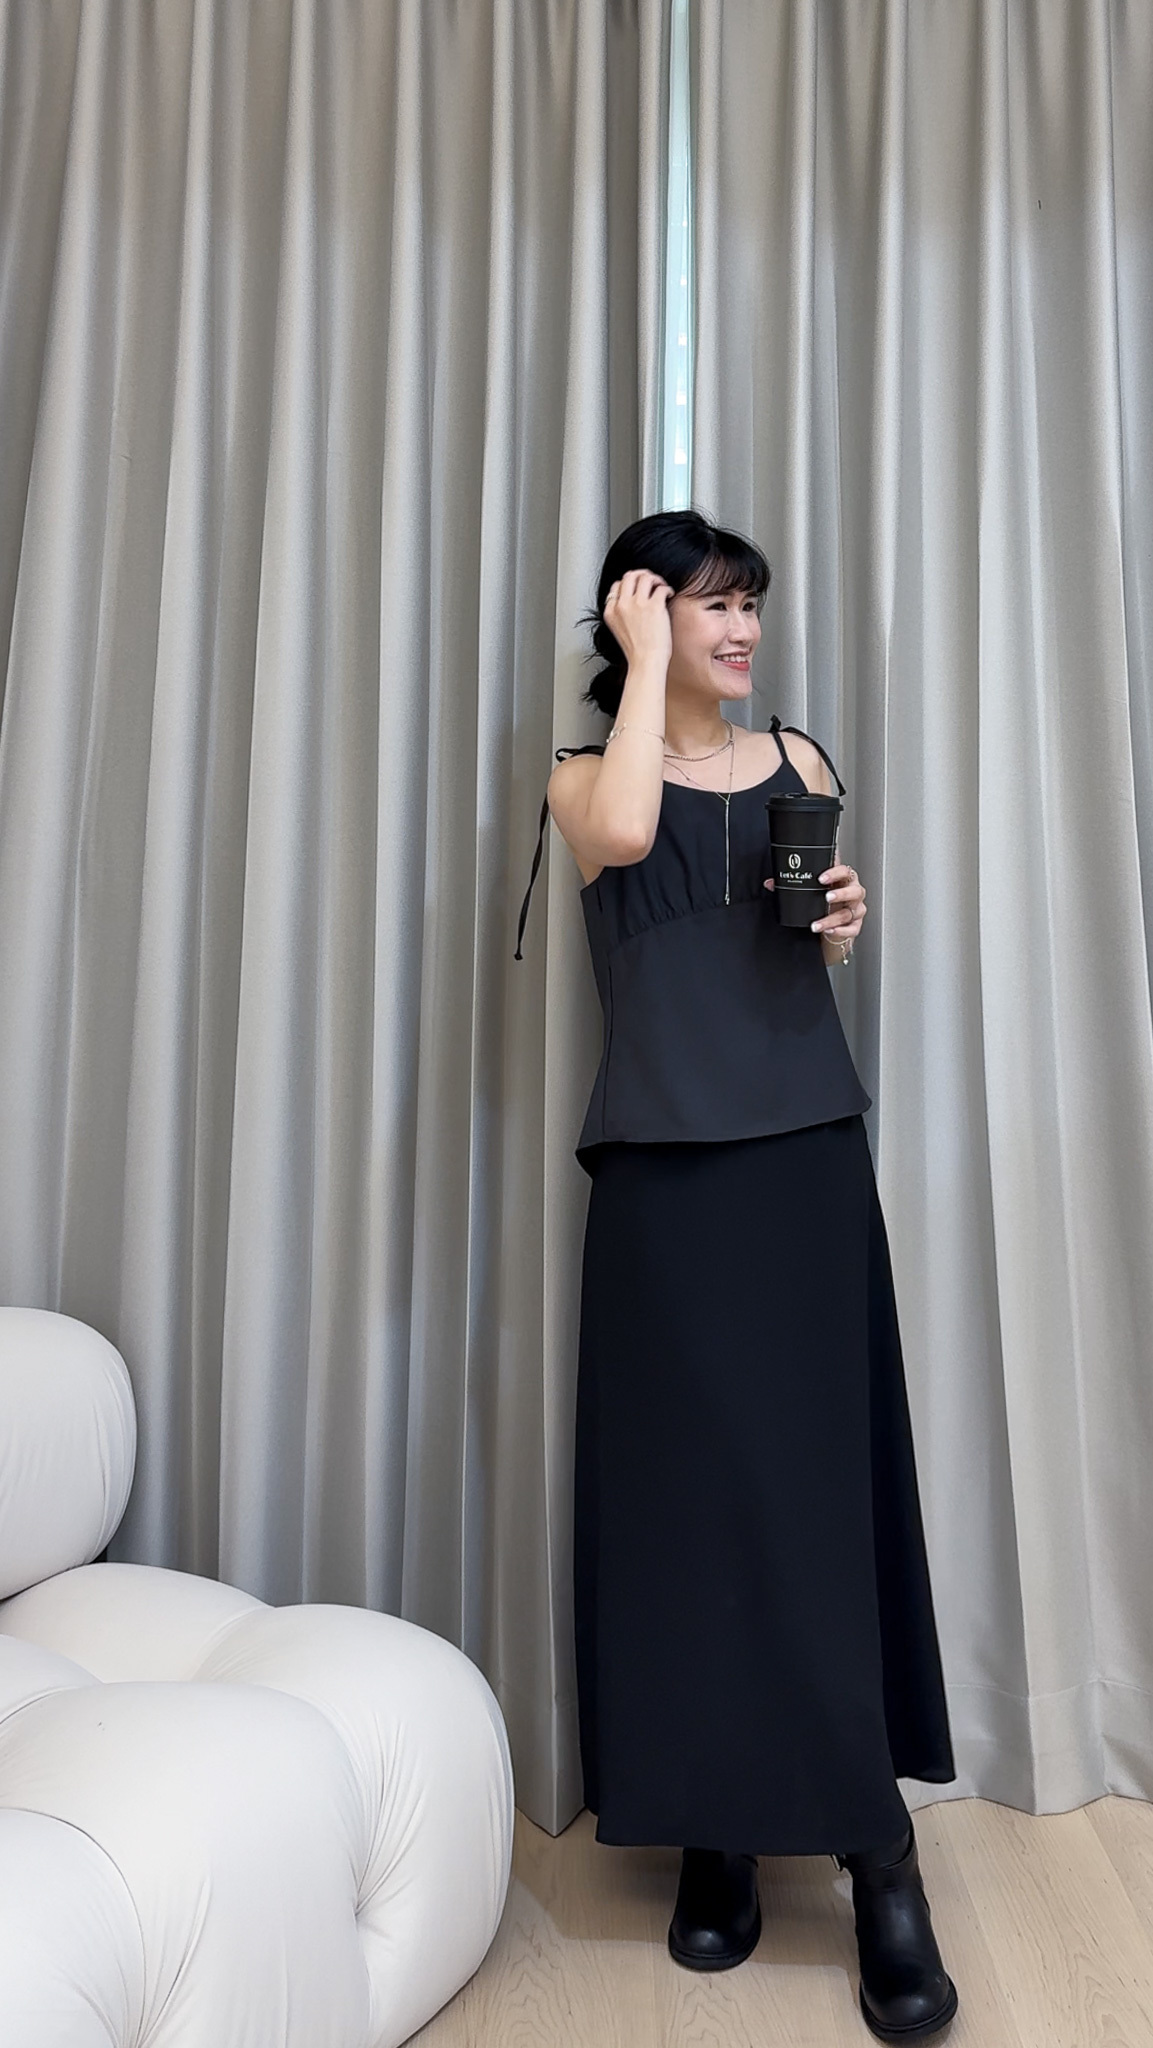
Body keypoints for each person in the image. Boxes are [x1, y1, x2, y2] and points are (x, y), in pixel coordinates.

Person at [514, 509, 959, 2043]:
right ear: (638, 615)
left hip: (801, 1163)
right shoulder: (582, 775)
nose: (743, 628)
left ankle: (875, 1854)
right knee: (687, 1509)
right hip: (661, 1177)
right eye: (710, 605)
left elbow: (800, 945)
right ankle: (715, 1827)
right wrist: (644, 668)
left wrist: (844, 923)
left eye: (749, 605)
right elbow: (628, 840)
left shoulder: (801, 759)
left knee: (815, 1500)